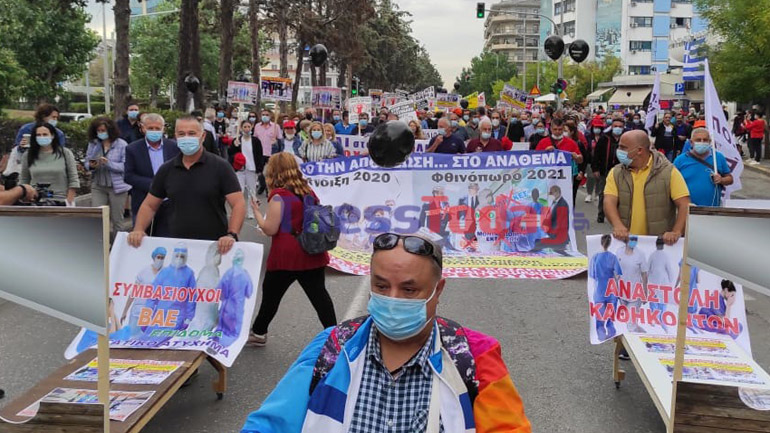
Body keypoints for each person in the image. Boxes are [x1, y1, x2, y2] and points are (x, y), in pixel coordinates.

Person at [240, 232, 531, 433]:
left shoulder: (475, 358)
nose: (392, 299)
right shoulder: (331, 348)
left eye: (409, 289)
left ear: (437, 290)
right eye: (380, 286)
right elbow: (270, 424)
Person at [247, 152, 337, 347]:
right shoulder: (307, 190)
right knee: (319, 296)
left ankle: (259, 332)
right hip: (311, 251)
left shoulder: (279, 196)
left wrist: (256, 213)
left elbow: (270, 228)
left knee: (271, 295)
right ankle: (334, 334)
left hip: (286, 255)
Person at [127, 115, 245, 254]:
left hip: (213, 246)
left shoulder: (220, 167)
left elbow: (238, 203)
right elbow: (150, 205)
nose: (186, 137)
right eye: (181, 134)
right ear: (175, 136)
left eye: (192, 133)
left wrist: (231, 234)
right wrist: (139, 229)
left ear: (203, 136)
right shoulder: (167, 169)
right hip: (176, 246)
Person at [604, 129, 691, 246]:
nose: (619, 151)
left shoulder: (668, 172)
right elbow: (609, 201)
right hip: (626, 242)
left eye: (623, 147)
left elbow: (684, 204)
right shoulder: (616, 173)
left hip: (658, 244)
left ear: (639, 150)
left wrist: (676, 231)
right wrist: (617, 225)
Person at [125, 113, 180, 236]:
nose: (154, 131)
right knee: (141, 237)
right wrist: (154, 185)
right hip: (143, 201)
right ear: (143, 128)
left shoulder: (174, 147)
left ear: (163, 128)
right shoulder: (132, 149)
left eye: (157, 128)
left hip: (169, 203)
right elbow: (128, 176)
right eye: (150, 128)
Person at [84, 117, 131, 239]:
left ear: (110, 130)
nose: (101, 133)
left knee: (117, 220)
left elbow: (126, 166)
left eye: (103, 130)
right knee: (97, 218)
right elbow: (87, 161)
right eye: (98, 130)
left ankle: (118, 247)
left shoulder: (122, 144)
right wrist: (91, 165)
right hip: (98, 185)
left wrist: (108, 163)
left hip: (117, 187)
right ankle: (99, 246)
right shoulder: (94, 144)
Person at [20, 122, 79, 206]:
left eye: (45, 134)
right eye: (38, 135)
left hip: (61, 200)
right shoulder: (28, 155)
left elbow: (73, 179)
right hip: (35, 202)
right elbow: (24, 179)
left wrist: (69, 200)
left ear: (52, 135)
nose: (42, 137)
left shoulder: (65, 153)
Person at [674, 127, 733, 207]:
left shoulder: (718, 157)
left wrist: (721, 180)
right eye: (698, 140)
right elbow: (671, 183)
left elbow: (730, 179)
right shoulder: (680, 160)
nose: (702, 142)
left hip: (712, 208)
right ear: (691, 142)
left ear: (709, 142)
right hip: (687, 208)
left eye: (705, 140)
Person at [120, 246, 167, 337]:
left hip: (154, 313)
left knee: (149, 340)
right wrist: (125, 311)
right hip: (138, 310)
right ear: (154, 257)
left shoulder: (166, 273)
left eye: (162, 257)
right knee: (132, 338)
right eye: (158, 257)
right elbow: (133, 292)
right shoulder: (144, 272)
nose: (160, 259)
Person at [213, 248, 254, 348]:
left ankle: (219, 337)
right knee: (234, 324)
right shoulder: (245, 274)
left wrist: (223, 298)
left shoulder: (228, 272)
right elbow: (249, 292)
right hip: (237, 305)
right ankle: (227, 339)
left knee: (223, 321)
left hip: (226, 304)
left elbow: (219, 288)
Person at [589, 234, 622, 340]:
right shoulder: (613, 257)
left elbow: (592, 275)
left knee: (600, 314)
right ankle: (611, 330)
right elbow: (618, 275)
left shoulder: (595, 257)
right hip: (611, 289)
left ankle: (600, 333)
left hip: (599, 289)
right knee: (611, 312)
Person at [615, 236, 649, 338]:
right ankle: (644, 336)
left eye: (635, 240)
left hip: (635, 294)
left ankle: (631, 350)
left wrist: (645, 293)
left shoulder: (640, 254)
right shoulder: (619, 252)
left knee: (631, 324)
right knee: (628, 321)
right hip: (622, 292)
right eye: (631, 239)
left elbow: (644, 274)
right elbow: (616, 271)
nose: (633, 242)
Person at [229, 119, 263, 217]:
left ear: (251, 127)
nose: (247, 129)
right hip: (240, 169)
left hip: (252, 169)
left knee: (252, 192)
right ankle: (238, 211)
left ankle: (251, 211)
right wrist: (234, 147)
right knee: (239, 191)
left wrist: (259, 169)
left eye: (248, 127)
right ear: (241, 128)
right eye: (245, 127)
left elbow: (259, 155)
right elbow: (231, 154)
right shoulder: (237, 140)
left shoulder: (256, 141)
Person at [592, 118, 624, 223]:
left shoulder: (626, 138)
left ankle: (618, 216)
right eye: (615, 126)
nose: (617, 128)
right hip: (605, 171)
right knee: (604, 193)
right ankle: (601, 214)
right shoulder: (604, 138)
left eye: (620, 126)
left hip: (622, 172)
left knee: (620, 194)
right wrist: (595, 169)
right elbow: (596, 155)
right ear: (612, 127)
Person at [253, 109, 282, 195]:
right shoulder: (257, 126)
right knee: (261, 172)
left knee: (270, 171)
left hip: (271, 152)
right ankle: (263, 185)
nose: (265, 116)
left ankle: (268, 189)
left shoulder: (276, 126)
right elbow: (255, 139)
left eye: (266, 114)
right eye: (263, 114)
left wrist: (275, 141)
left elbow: (280, 139)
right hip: (260, 152)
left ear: (270, 116)